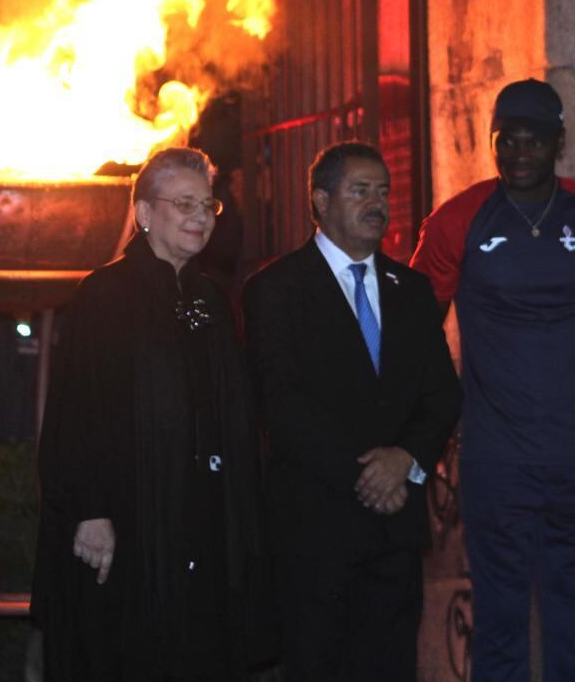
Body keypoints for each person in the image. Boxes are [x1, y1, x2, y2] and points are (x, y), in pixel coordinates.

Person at [410, 78, 575, 681]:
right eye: (507, 140)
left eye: (535, 140)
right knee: (500, 615)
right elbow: (416, 332)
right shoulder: (457, 220)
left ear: (559, 142)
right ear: (492, 142)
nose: (520, 153)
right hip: (495, 455)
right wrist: (456, 413)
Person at [32, 147, 270, 681]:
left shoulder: (210, 297)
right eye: (183, 203)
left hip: (198, 521)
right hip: (128, 526)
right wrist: (91, 513)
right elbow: (75, 414)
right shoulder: (104, 295)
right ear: (143, 214)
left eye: (208, 205)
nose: (200, 217)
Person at [242, 141, 461, 681]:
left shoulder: (410, 289)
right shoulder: (276, 289)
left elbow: (441, 394)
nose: (377, 203)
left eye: (383, 192)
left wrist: (405, 459)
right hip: (317, 530)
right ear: (320, 200)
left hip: (395, 535)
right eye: (360, 190)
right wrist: (367, 475)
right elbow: (282, 403)